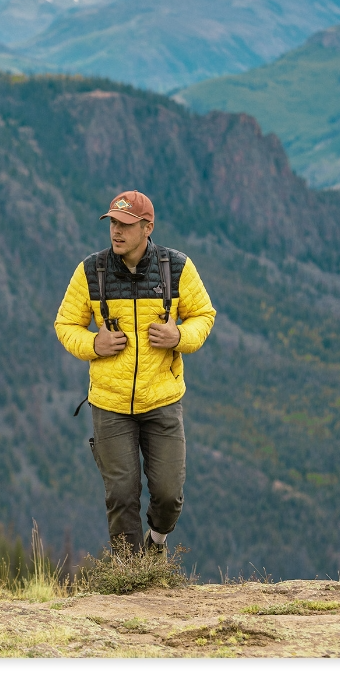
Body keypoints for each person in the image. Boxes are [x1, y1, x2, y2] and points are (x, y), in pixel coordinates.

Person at [54, 190, 216, 556]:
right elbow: (66, 324)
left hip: (162, 401)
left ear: (147, 228)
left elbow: (204, 315)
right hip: (110, 404)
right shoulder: (91, 271)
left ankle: (156, 542)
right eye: (113, 222)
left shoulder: (176, 268)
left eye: (125, 224)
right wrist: (94, 344)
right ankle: (130, 578)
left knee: (168, 494)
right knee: (121, 495)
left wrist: (179, 336)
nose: (116, 231)